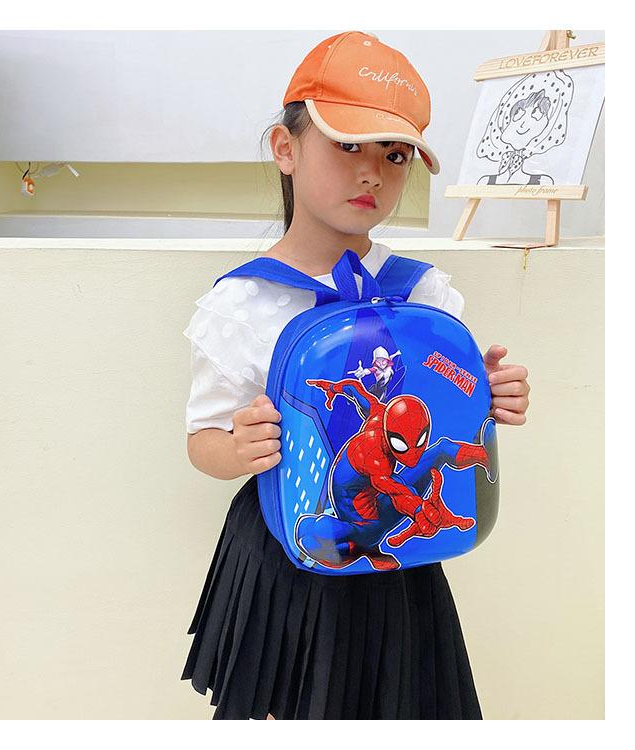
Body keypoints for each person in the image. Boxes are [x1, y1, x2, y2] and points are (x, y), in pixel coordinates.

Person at [180, 31, 531, 720]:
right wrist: (238, 447)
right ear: (285, 149)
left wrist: (491, 397)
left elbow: (449, 411)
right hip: (289, 554)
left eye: (395, 155)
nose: (372, 172)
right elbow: (202, 441)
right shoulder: (243, 303)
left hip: (399, 557)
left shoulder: (425, 291)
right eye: (348, 145)